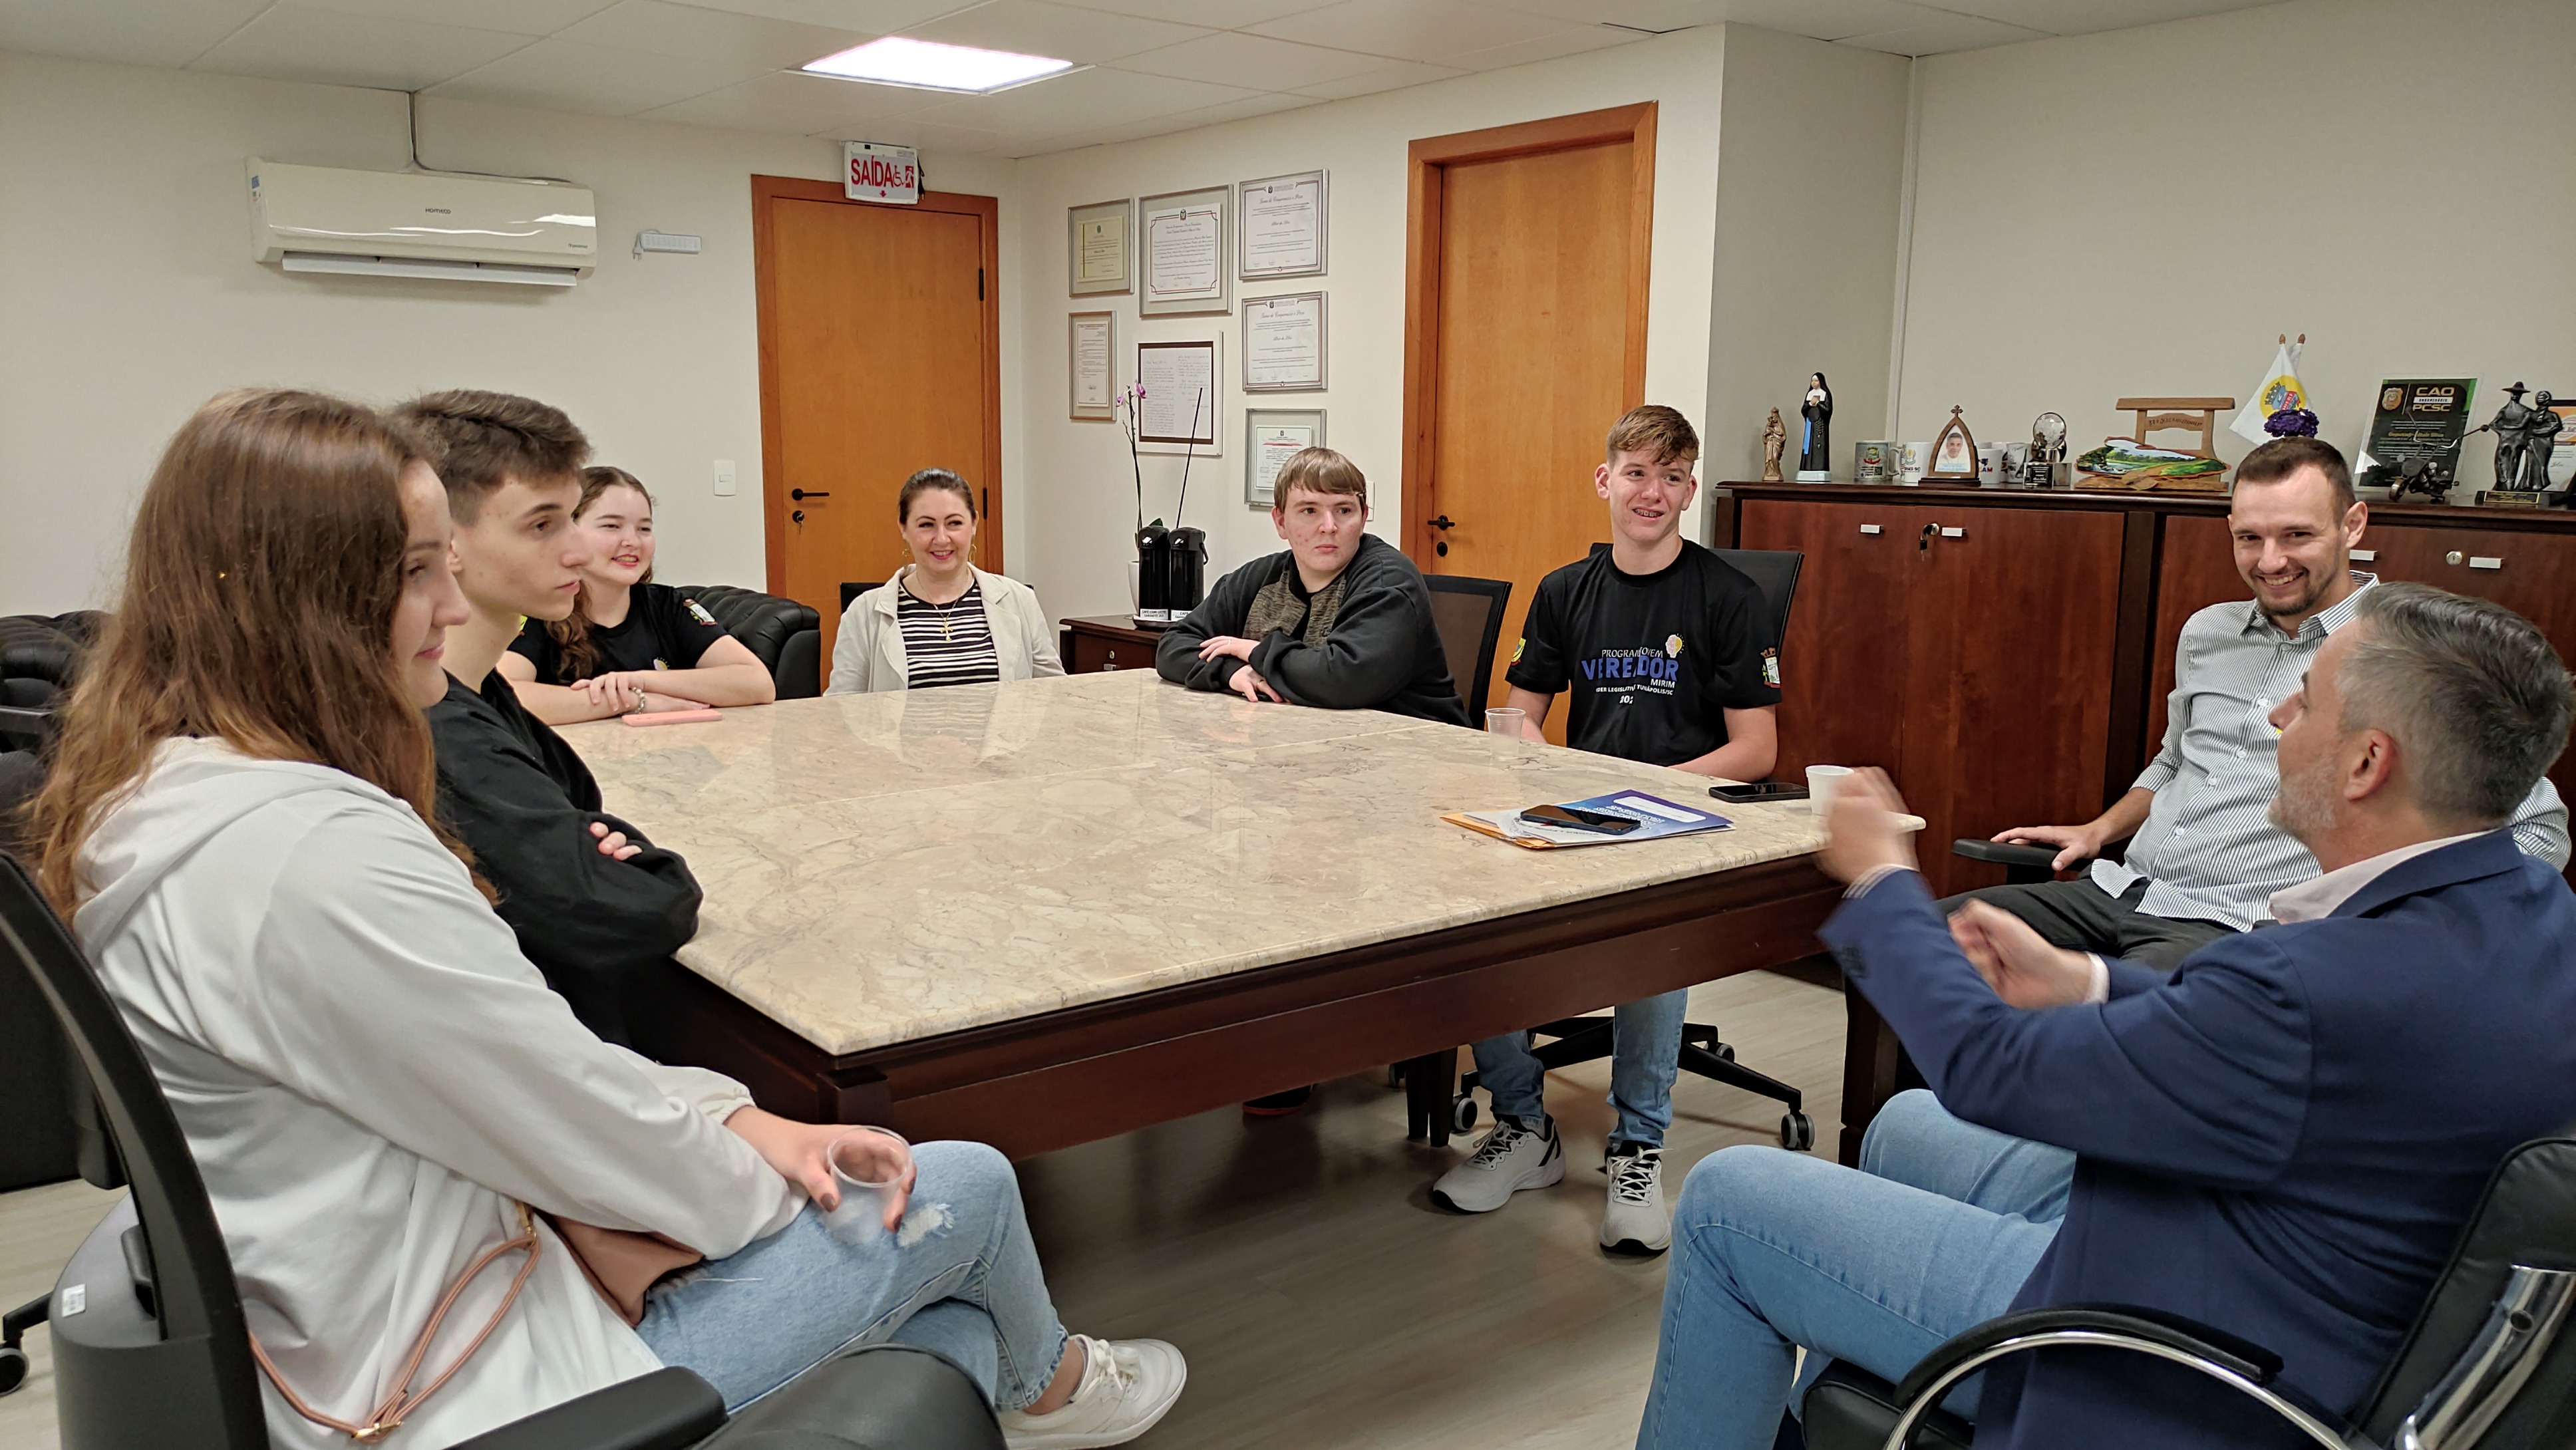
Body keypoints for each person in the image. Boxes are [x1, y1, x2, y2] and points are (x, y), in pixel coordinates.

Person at [27, 389, 1186, 1450]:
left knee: (947, 1332)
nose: (450, 604)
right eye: (418, 572)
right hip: (459, 1381)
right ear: (303, 600)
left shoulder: (167, 797)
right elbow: (575, 1118)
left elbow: (528, 1066)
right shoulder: (320, 859)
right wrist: (769, 1175)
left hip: (360, 1299)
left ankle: (1018, 1378)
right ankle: (1054, 1386)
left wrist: (741, 1120)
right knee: (963, 1189)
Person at [1634, 581, 2576, 1450]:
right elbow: (2290, 1054)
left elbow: (1988, 1064)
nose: (2276, 717)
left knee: (1728, 1201)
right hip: (2277, 1238)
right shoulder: (2532, 910)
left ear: (2368, 761)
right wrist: (2086, 982)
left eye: (2306, 701)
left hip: (2173, 1347)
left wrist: (1880, 878)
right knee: (1907, 1123)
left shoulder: (2314, 985)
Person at [1961, 435, 2567, 970]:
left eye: (2297, 535)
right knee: (1924, 948)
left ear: (2353, 525)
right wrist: (2098, 830)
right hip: (2121, 890)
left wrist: (2378, 937)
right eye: (2249, 538)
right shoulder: (2208, 631)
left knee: (2100, 1030)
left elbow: (2536, 824)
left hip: (2240, 927)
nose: (2270, 561)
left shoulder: (2404, 649)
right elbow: (2175, 759)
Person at [1434, 405, 1780, 1254]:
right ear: (1604, 481)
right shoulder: (1563, 591)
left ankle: (1637, 1146)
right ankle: (1523, 1127)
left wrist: (1645, 792)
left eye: (1671, 477)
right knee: (1477, 921)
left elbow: (1755, 749)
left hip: (1680, 819)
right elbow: (1518, 718)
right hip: (1577, 812)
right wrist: (1543, 767)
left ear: (1689, 491)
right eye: (1635, 473)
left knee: (1652, 940)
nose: (1650, 492)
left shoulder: (1728, 597)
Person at [397, 390, 699, 1046]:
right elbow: (632, 910)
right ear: (448, 542)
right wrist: (642, 865)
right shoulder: (445, 730)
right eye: (543, 525)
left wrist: (591, 843)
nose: (579, 551)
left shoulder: (479, 692)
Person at [1157, 447, 1466, 726]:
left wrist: (1254, 652)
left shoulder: (1388, 582)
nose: (1329, 526)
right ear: (1281, 522)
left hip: (1410, 747)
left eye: (1344, 510)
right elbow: (1174, 646)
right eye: (1309, 511)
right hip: (1299, 740)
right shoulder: (1259, 578)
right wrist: (1230, 672)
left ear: (1363, 518)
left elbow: (1342, 679)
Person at [498, 466, 777, 724]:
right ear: (568, 531)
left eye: (644, 528)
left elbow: (758, 684)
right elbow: (502, 697)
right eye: (611, 526)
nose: (632, 541)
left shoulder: (668, 605)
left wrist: (640, 681)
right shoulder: (540, 609)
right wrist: (631, 701)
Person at [830, 469, 1065, 693]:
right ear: (903, 528)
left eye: (954, 523)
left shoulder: (1020, 601)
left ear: (974, 524)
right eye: (926, 525)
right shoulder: (863, 613)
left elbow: (1053, 695)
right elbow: (842, 709)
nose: (942, 539)